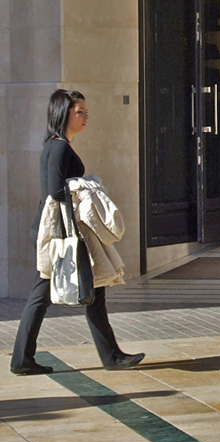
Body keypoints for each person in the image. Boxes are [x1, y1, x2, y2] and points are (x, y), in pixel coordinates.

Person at [10, 89, 145, 375]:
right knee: (42, 294)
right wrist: (84, 187)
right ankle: (23, 359)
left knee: (92, 290)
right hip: (61, 233)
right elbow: (56, 191)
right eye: (79, 111)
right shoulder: (58, 146)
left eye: (86, 111)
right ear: (64, 113)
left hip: (63, 230)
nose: (86, 116)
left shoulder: (57, 144)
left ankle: (110, 356)